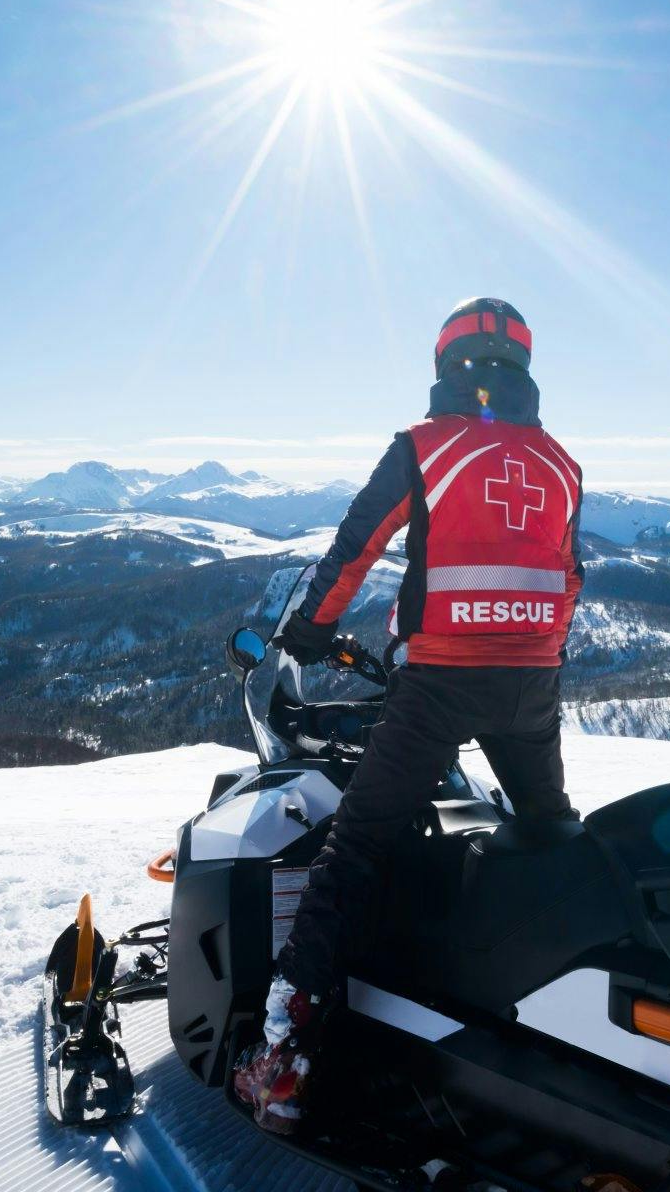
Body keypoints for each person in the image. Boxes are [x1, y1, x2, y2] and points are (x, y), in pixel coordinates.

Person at [234, 296, 585, 1134]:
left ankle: (281, 1056)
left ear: (446, 363)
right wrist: (532, 650)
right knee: (549, 832)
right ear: (523, 369)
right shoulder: (562, 463)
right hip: (532, 683)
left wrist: (311, 631)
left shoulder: (426, 448)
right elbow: (570, 578)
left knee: (356, 849)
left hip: (438, 684)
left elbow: (355, 548)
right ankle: (570, 1012)